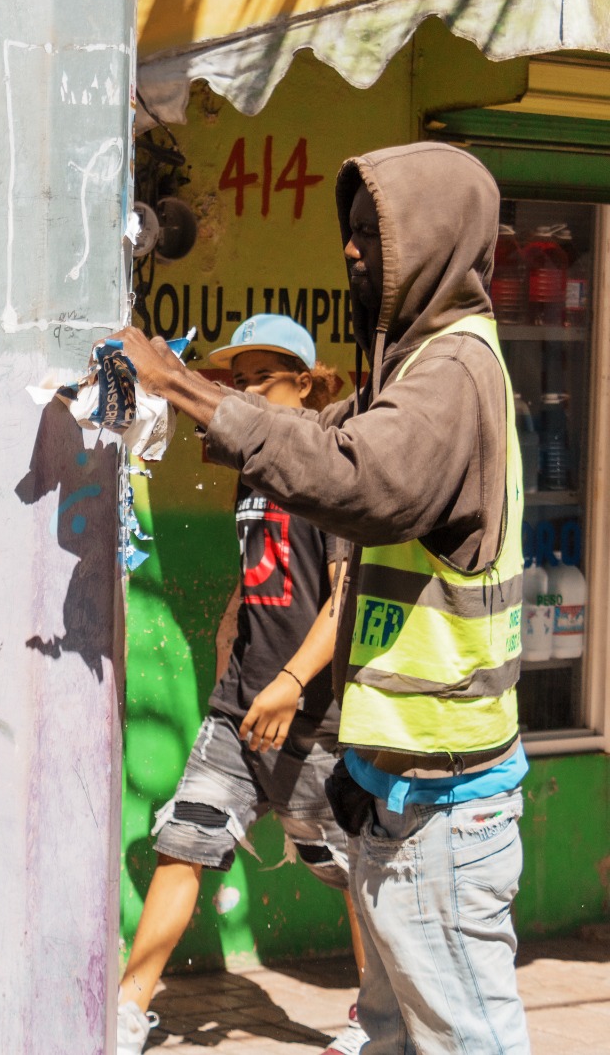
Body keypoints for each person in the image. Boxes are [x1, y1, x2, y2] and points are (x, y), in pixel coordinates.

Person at [122, 143, 530, 1054]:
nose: (350, 254)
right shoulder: (412, 370)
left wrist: (184, 387)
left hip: (443, 789)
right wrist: (197, 396)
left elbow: (358, 478)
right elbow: (319, 440)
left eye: (370, 236)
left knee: (463, 1039)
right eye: (348, 235)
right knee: (394, 1035)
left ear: (431, 243)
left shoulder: (454, 373)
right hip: (392, 778)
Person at [117, 315, 367, 1055]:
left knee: (352, 866)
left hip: (313, 713)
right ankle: (130, 1010)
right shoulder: (253, 470)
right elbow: (263, 565)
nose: (246, 388)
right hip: (239, 706)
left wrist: (292, 682)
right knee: (187, 839)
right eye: (238, 376)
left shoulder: (331, 468)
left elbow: (343, 594)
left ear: (304, 382)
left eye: (261, 374)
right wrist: (233, 622)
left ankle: (376, 1015)